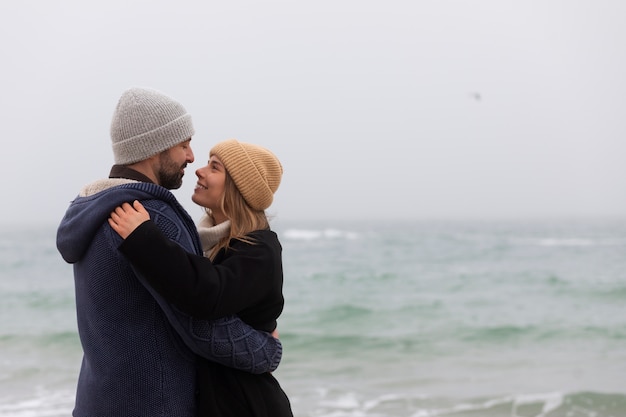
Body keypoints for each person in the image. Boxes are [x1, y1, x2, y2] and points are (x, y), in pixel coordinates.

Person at [56, 88, 282, 417]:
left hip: (98, 401)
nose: (191, 158)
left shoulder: (94, 210)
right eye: (184, 144)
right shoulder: (150, 218)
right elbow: (200, 323)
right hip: (154, 405)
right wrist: (267, 351)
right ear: (155, 146)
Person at [108, 139, 293, 416]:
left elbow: (205, 295)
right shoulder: (207, 242)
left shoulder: (260, 249)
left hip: (246, 405)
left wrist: (144, 238)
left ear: (238, 187)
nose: (200, 170)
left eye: (214, 167)